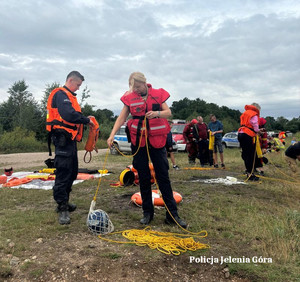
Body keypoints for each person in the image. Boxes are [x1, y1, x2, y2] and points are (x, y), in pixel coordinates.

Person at [107, 72, 187, 228]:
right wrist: (111, 135)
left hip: (157, 142)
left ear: (145, 83)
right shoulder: (130, 97)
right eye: (133, 87)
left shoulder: (158, 94)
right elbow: (122, 118)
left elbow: (168, 112)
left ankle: (172, 215)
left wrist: (157, 114)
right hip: (139, 143)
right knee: (143, 178)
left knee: (163, 177)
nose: (136, 90)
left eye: (138, 86)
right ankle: (147, 213)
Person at [46, 71, 94, 224]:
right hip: (62, 139)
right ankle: (62, 207)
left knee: (72, 172)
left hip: (69, 140)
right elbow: (68, 115)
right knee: (63, 172)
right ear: (71, 80)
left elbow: (72, 114)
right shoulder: (61, 95)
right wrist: (86, 120)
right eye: (78, 85)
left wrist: (85, 119)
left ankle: (65, 201)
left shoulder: (69, 96)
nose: (79, 88)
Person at [237, 103, 261, 181]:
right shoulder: (253, 114)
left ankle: (249, 172)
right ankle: (250, 174)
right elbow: (254, 124)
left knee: (245, 154)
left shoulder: (245, 113)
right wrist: (258, 131)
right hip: (247, 134)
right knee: (250, 155)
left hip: (241, 133)